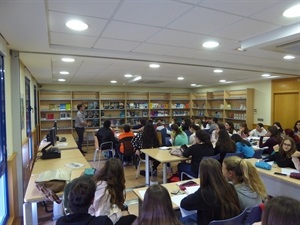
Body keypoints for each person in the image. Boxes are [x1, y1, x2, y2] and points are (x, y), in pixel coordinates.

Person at [180, 158, 241, 225]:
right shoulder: (230, 187)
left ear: (202, 174)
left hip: (211, 221)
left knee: (183, 219)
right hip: (230, 222)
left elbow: (184, 204)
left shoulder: (204, 193)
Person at [89, 158, 136, 224]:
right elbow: (102, 219)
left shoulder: (99, 183)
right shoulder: (105, 191)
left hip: (93, 219)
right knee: (132, 218)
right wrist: (120, 214)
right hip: (96, 221)